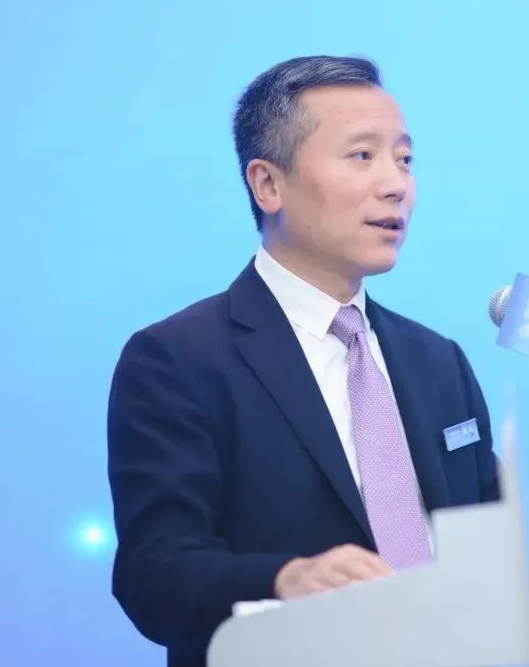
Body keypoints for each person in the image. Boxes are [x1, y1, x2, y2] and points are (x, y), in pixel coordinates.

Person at [107, 56, 500, 667]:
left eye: (404, 159)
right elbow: (153, 574)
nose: (396, 185)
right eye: (362, 155)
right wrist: (285, 580)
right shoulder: (178, 360)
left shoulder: (437, 361)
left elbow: (488, 548)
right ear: (268, 184)